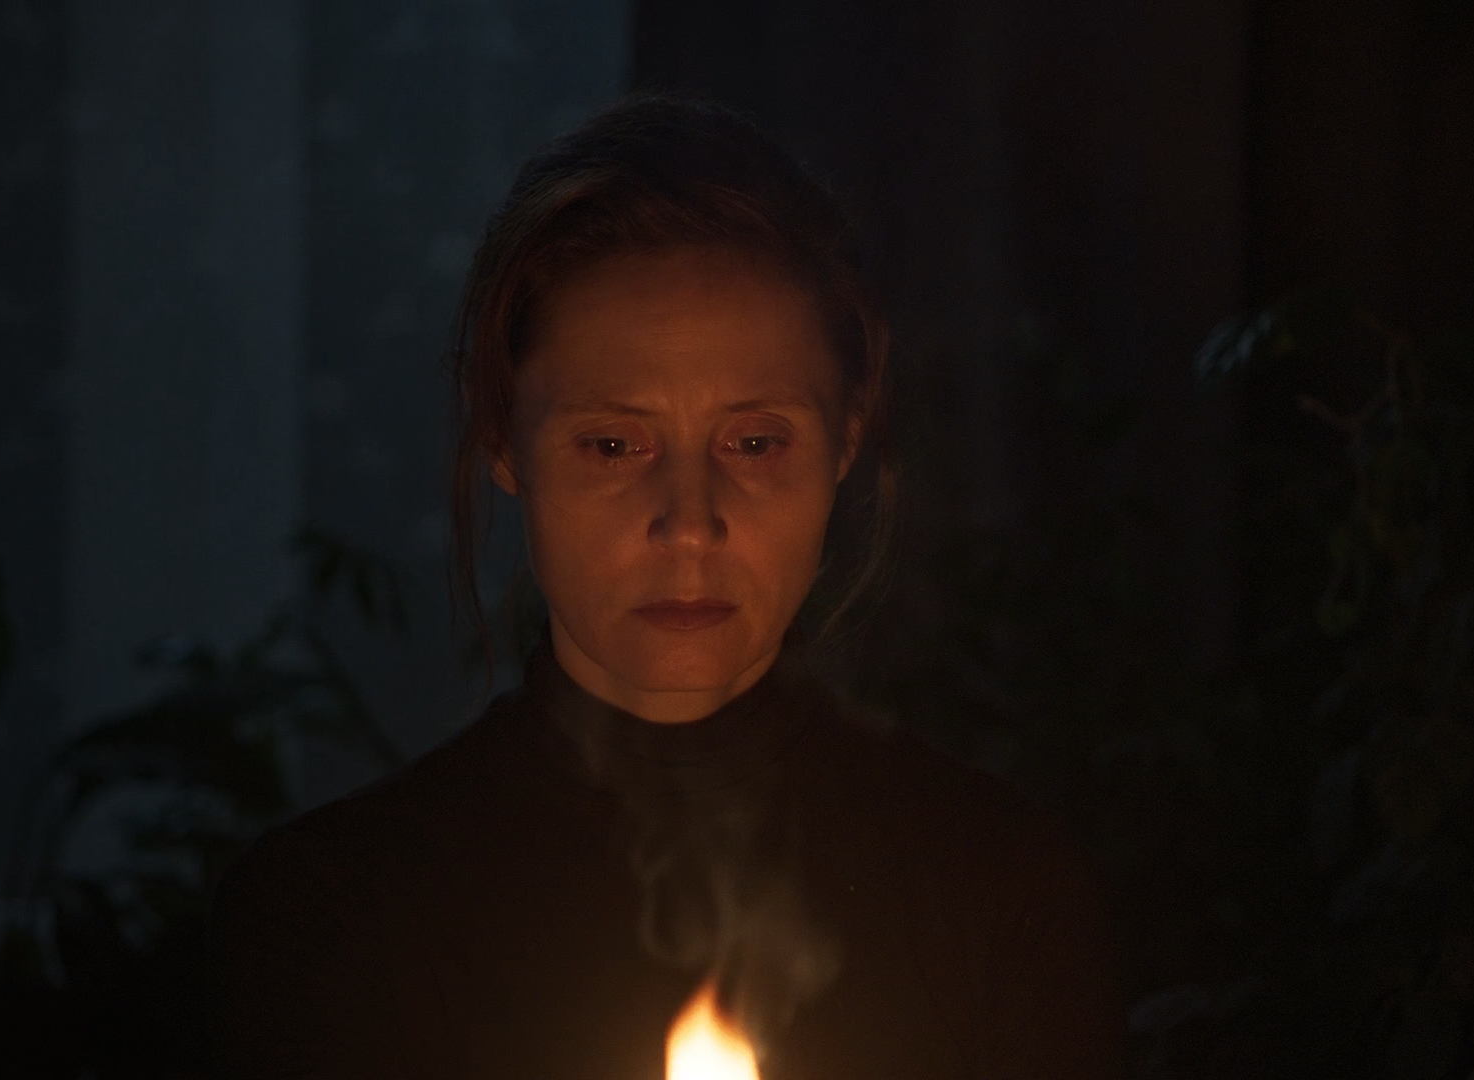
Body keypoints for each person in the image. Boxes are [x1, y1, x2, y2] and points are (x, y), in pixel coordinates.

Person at [206, 93, 1126, 1080]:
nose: (689, 523)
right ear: (504, 440)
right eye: (613, 445)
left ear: (846, 439)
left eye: (755, 443)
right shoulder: (329, 920)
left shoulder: (998, 892)